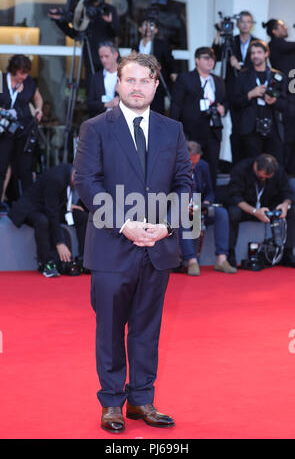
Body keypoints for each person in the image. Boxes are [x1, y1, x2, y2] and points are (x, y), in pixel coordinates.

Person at [74, 52, 192, 433]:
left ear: (156, 85)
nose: (137, 87)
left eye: (145, 80)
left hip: (158, 247)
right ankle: (111, 403)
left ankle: (142, 400)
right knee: (110, 329)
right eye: (131, 80)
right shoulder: (95, 128)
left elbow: (184, 183)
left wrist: (167, 226)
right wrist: (123, 224)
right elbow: (86, 183)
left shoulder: (172, 129)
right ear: (118, 84)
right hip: (112, 246)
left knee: (147, 328)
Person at [8, 164, 88, 277]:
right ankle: (45, 263)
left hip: (50, 205)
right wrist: (59, 242)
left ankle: (84, 260)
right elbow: (52, 213)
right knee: (43, 221)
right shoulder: (56, 179)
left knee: (82, 217)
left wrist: (68, 205)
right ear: (75, 176)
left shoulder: (70, 172)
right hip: (32, 207)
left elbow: (55, 201)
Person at [170, 46, 226, 188]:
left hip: (213, 131)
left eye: (212, 58)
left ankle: (209, 201)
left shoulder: (218, 81)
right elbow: (176, 105)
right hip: (192, 132)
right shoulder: (185, 78)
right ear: (197, 60)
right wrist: (176, 132)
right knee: (191, 169)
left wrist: (223, 108)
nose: (210, 61)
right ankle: (191, 205)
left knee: (212, 168)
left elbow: (225, 100)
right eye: (206, 58)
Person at [227, 154, 295, 268]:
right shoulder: (241, 169)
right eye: (261, 177)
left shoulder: (278, 171)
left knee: (292, 210)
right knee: (233, 212)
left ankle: (287, 252)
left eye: (267, 178)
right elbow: (234, 197)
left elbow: (287, 193)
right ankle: (230, 253)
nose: (264, 179)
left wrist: (285, 205)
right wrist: (254, 211)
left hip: (269, 208)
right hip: (247, 208)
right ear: (255, 166)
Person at [179, 142, 237, 276]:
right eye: (191, 163)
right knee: (182, 218)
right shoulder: (172, 166)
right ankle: (192, 260)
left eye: (196, 162)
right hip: (181, 207)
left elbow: (210, 191)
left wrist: (207, 202)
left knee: (221, 213)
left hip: (200, 206)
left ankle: (222, 259)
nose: (193, 166)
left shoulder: (203, 166)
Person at [49, 0, 119, 90]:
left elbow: (116, 32)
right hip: (90, 57)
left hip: (109, 59)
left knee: (113, 90)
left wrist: (110, 23)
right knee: (93, 91)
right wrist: (60, 21)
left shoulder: (108, 9)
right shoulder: (82, 9)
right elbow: (75, 33)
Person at [212, 11, 257, 164]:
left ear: (252, 24)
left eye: (248, 22)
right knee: (235, 130)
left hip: (251, 90)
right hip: (232, 90)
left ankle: (249, 164)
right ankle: (236, 166)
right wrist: (218, 32)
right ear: (237, 24)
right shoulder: (231, 40)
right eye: (242, 21)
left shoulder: (257, 43)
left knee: (249, 130)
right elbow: (216, 56)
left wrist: (240, 67)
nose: (245, 24)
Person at [0, 55, 43, 211]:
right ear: (13, 70)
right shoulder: (1, 79)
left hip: (23, 130)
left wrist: (39, 109)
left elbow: (38, 98)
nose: (24, 76)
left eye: (26, 73)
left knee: (24, 168)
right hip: (4, 130)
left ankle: (26, 204)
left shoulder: (29, 82)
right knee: (2, 166)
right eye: (21, 73)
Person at [233, 40, 287, 165]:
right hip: (251, 129)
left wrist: (274, 101)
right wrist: (250, 94)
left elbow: (285, 104)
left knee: (274, 166)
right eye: (252, 53)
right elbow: (235, 102)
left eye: (259, 52)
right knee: (254, 165)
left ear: (266, 54)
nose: (255, 56)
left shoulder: (278, 76)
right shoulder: (243, 76)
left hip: (273, 128)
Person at [264, 19, 295, 174]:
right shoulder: (276, 44)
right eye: (282, 26)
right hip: (285, 95)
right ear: (275, 31)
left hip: (289, 93)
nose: (286, 28)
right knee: (287, 138)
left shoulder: (284, 47)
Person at [133, 18, 178, 114]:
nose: (149, 28)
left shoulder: (161, 44)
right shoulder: (136, 45)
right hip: (140, 84)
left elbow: (169, 60)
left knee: (157, 111)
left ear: (156, 30)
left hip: (156, 84)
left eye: (152, 26)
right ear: (140, 29)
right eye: (146, 25)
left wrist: (174, 72)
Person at [87, 41, 120, 117]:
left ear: (115, 55)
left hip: (120, 120)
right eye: (101, 57)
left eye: (106, 56)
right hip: (101, 120)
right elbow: (90, 103)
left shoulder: (125, 76)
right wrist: (106, 104)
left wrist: (121, 93)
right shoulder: (96, 77)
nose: (103, 60)